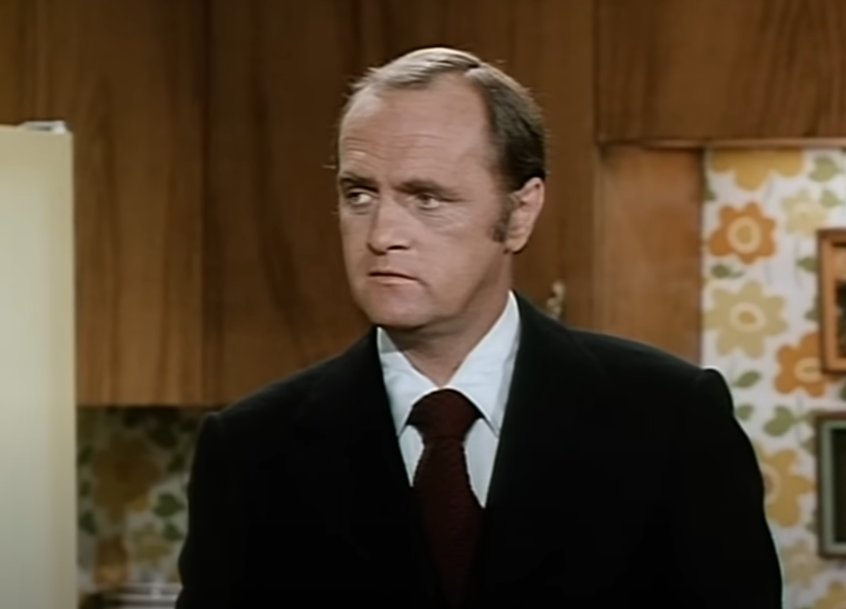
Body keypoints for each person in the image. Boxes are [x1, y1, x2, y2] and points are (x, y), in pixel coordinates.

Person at [175, 46, 783, 608]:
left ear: (519, 214)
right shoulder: (251, 450)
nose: (381, 234)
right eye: (359, 194)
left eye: (426, 198)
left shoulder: (670, 421)